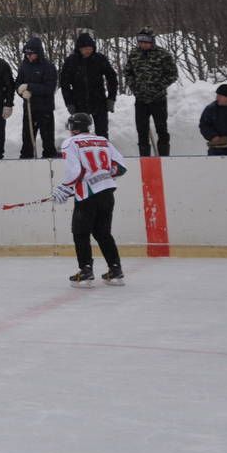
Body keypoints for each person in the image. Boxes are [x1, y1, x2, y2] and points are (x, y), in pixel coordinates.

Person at [51, 113, 127, 287]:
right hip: (107, 192)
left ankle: (85, 271)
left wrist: (64, 187)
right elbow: (121, 167)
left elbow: (75, 172)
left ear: (72, 128)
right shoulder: (102, 140)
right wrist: (100, 176)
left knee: (80, 232)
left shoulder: (70, 143)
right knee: (103, 232)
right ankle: (115, 270)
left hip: (88, 195)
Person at [124, 29, 179, 157]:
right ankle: (145, 159)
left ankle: (164, 157)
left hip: (158, 99)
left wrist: (159, 86)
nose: (143, 44)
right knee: (142, 131)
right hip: (141, 99)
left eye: (146, 41)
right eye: (140, 41)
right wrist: (134, 87)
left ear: (152, 41)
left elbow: (172, 74)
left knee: (162, 130)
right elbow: (128, 73)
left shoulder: (162, 54)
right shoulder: (134, 54)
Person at [60, 34, 118, 138]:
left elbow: (112, 78)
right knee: (80, 134)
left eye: (89, 48)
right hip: (79, 102)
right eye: (84, 49)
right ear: (79, 49)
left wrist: (111, 98)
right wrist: (69, 103)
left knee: (102, 133)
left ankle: (103, 152)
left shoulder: (99, 59)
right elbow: (64, 84)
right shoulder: (71, 61)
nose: (87, 51)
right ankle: (80, 152)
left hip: (99, 101)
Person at [15, 38, 59, 160]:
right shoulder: (24, 66)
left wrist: (30, 87)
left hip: (45, 109)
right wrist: (21, 92)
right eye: (27, 54)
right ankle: (26, 160)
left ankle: (49, 159)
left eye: (31, 54)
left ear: (38, 53)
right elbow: (18, 83)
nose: (29, 56)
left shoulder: (48, 67)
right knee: (27, 140)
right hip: (30, 108)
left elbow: (49, 88)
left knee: (48, 140)